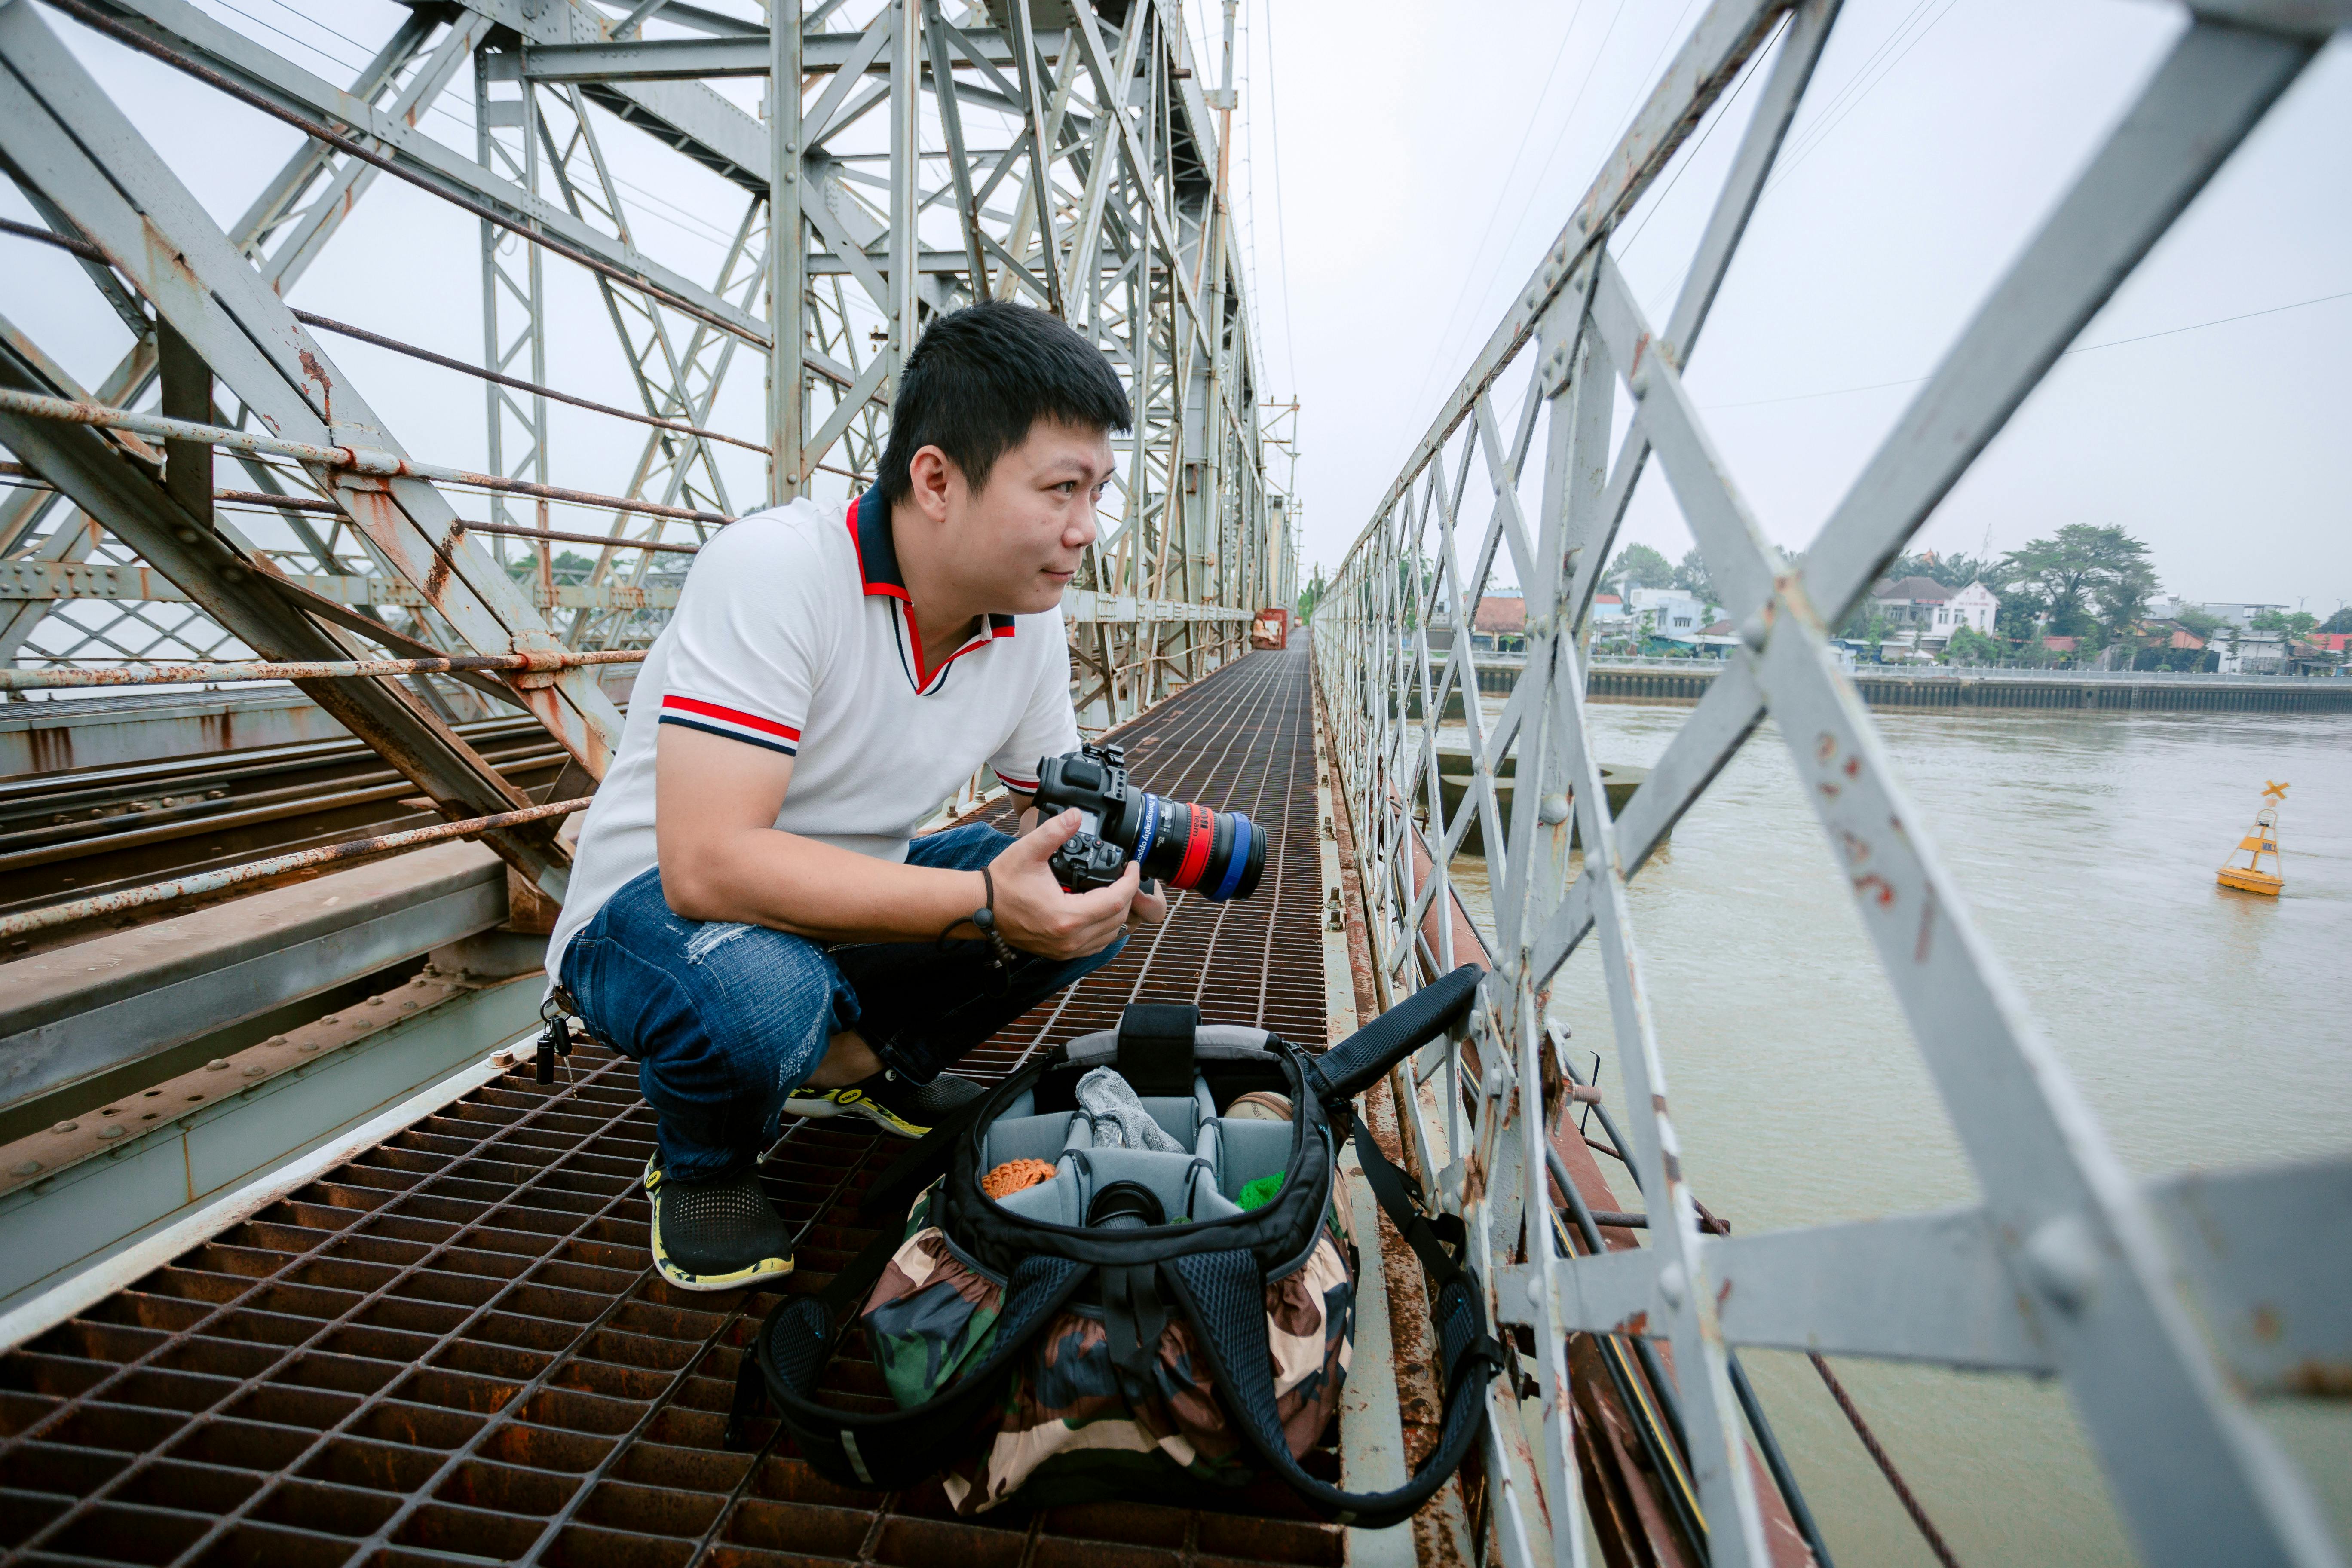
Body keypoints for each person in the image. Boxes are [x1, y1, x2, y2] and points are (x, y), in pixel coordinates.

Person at [546, 302, 1164, 1292]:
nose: (1085, 529)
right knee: (760, 997)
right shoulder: (780, 571)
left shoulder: (1028, 617)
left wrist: (1112, 864)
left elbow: (1054, 809)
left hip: (842, 895)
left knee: (1081, 898)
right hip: (654, 914)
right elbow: (709, 868)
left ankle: (859, 1065)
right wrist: (985, 906)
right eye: (1060, 490)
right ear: (935, 481)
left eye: (1098, 491)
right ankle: (706, 1163)